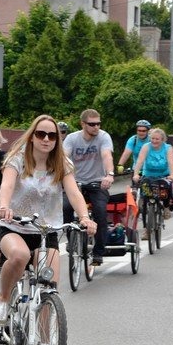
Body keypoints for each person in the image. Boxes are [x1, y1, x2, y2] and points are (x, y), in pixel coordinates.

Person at [0, 115, 96, 337]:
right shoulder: (17, 159)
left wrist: (85, 217)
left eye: (52, 136)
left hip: (46, 231)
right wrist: (4, 206)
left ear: (57, 140)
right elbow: (7, 185)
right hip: (14, 225)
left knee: (49, 288)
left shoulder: (62, 164)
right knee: (19, 256)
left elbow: (74, 193)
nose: (46, 139)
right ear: (32, 137)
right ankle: (3, 297)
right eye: (41, 134)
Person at [62, 109, 115, 265]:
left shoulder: (104, 137)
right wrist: (61, 174)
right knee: (65, 206)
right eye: (92, 124)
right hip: (75, 182)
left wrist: (109, 174)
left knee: (100, 211)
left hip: (97, 183)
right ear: (83, 124)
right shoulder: (72, 138)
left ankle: (98, 252)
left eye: (98, 123)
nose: (96, 127)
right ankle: (71, 237)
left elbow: (106, 155)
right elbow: (64, 157)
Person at [132, 127, 173, 227]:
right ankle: (146, 228)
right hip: (149, 175)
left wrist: (172, 175)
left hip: (163, 175)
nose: (154, 141)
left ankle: (166, 207)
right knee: (145, 197)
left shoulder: (167, 148)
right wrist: (136, 174)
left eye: (157, 139)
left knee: (165, 190)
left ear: (162, 140)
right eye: (152, 138)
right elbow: (139, 161)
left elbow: (171, 161)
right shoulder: (146, 147)